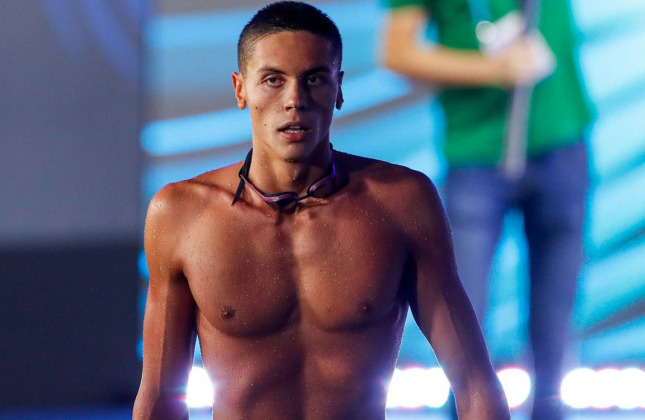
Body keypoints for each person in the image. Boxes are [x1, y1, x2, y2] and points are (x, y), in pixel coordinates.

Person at [133, 2, 510, 419]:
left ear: (340, 88)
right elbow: (160, 398)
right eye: (273, 80)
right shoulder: (181, 213)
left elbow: (474, 382)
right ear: (241, 89)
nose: (294, 100)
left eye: (313, 79)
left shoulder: (402, 201)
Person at [380, 1, 592, 419]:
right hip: (475, 158)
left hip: (562, 144)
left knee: (555, 332)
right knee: (462, 327)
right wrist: (495, 69)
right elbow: (397, 52)